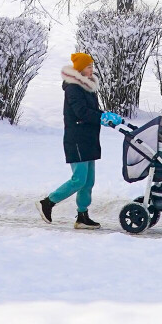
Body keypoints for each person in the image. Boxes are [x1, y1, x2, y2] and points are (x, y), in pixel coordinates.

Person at [35, 53, 123, 229]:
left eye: (92, 66)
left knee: (89, 181)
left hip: (88, 138)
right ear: (80, 69)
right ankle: (47, 202)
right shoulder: (73, 88)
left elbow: (91, 109)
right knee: (79, 179)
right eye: (88, 66)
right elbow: (81, 112)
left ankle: (82, 215)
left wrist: (105, 115)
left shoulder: (88, 87)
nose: (92, 69)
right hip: (76, 138)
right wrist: (101, 117)